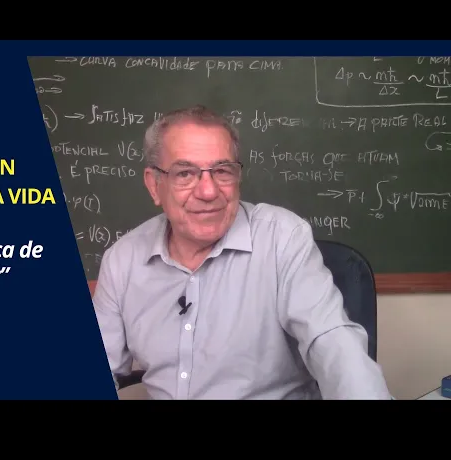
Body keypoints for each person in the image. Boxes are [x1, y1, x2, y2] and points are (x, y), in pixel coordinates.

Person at [92, 105, 393, 400]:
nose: (208, 191)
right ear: (154, 185)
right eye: (185, 174)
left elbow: (331, 340)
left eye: (222, 171)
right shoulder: (122, 260)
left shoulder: (282, 238)